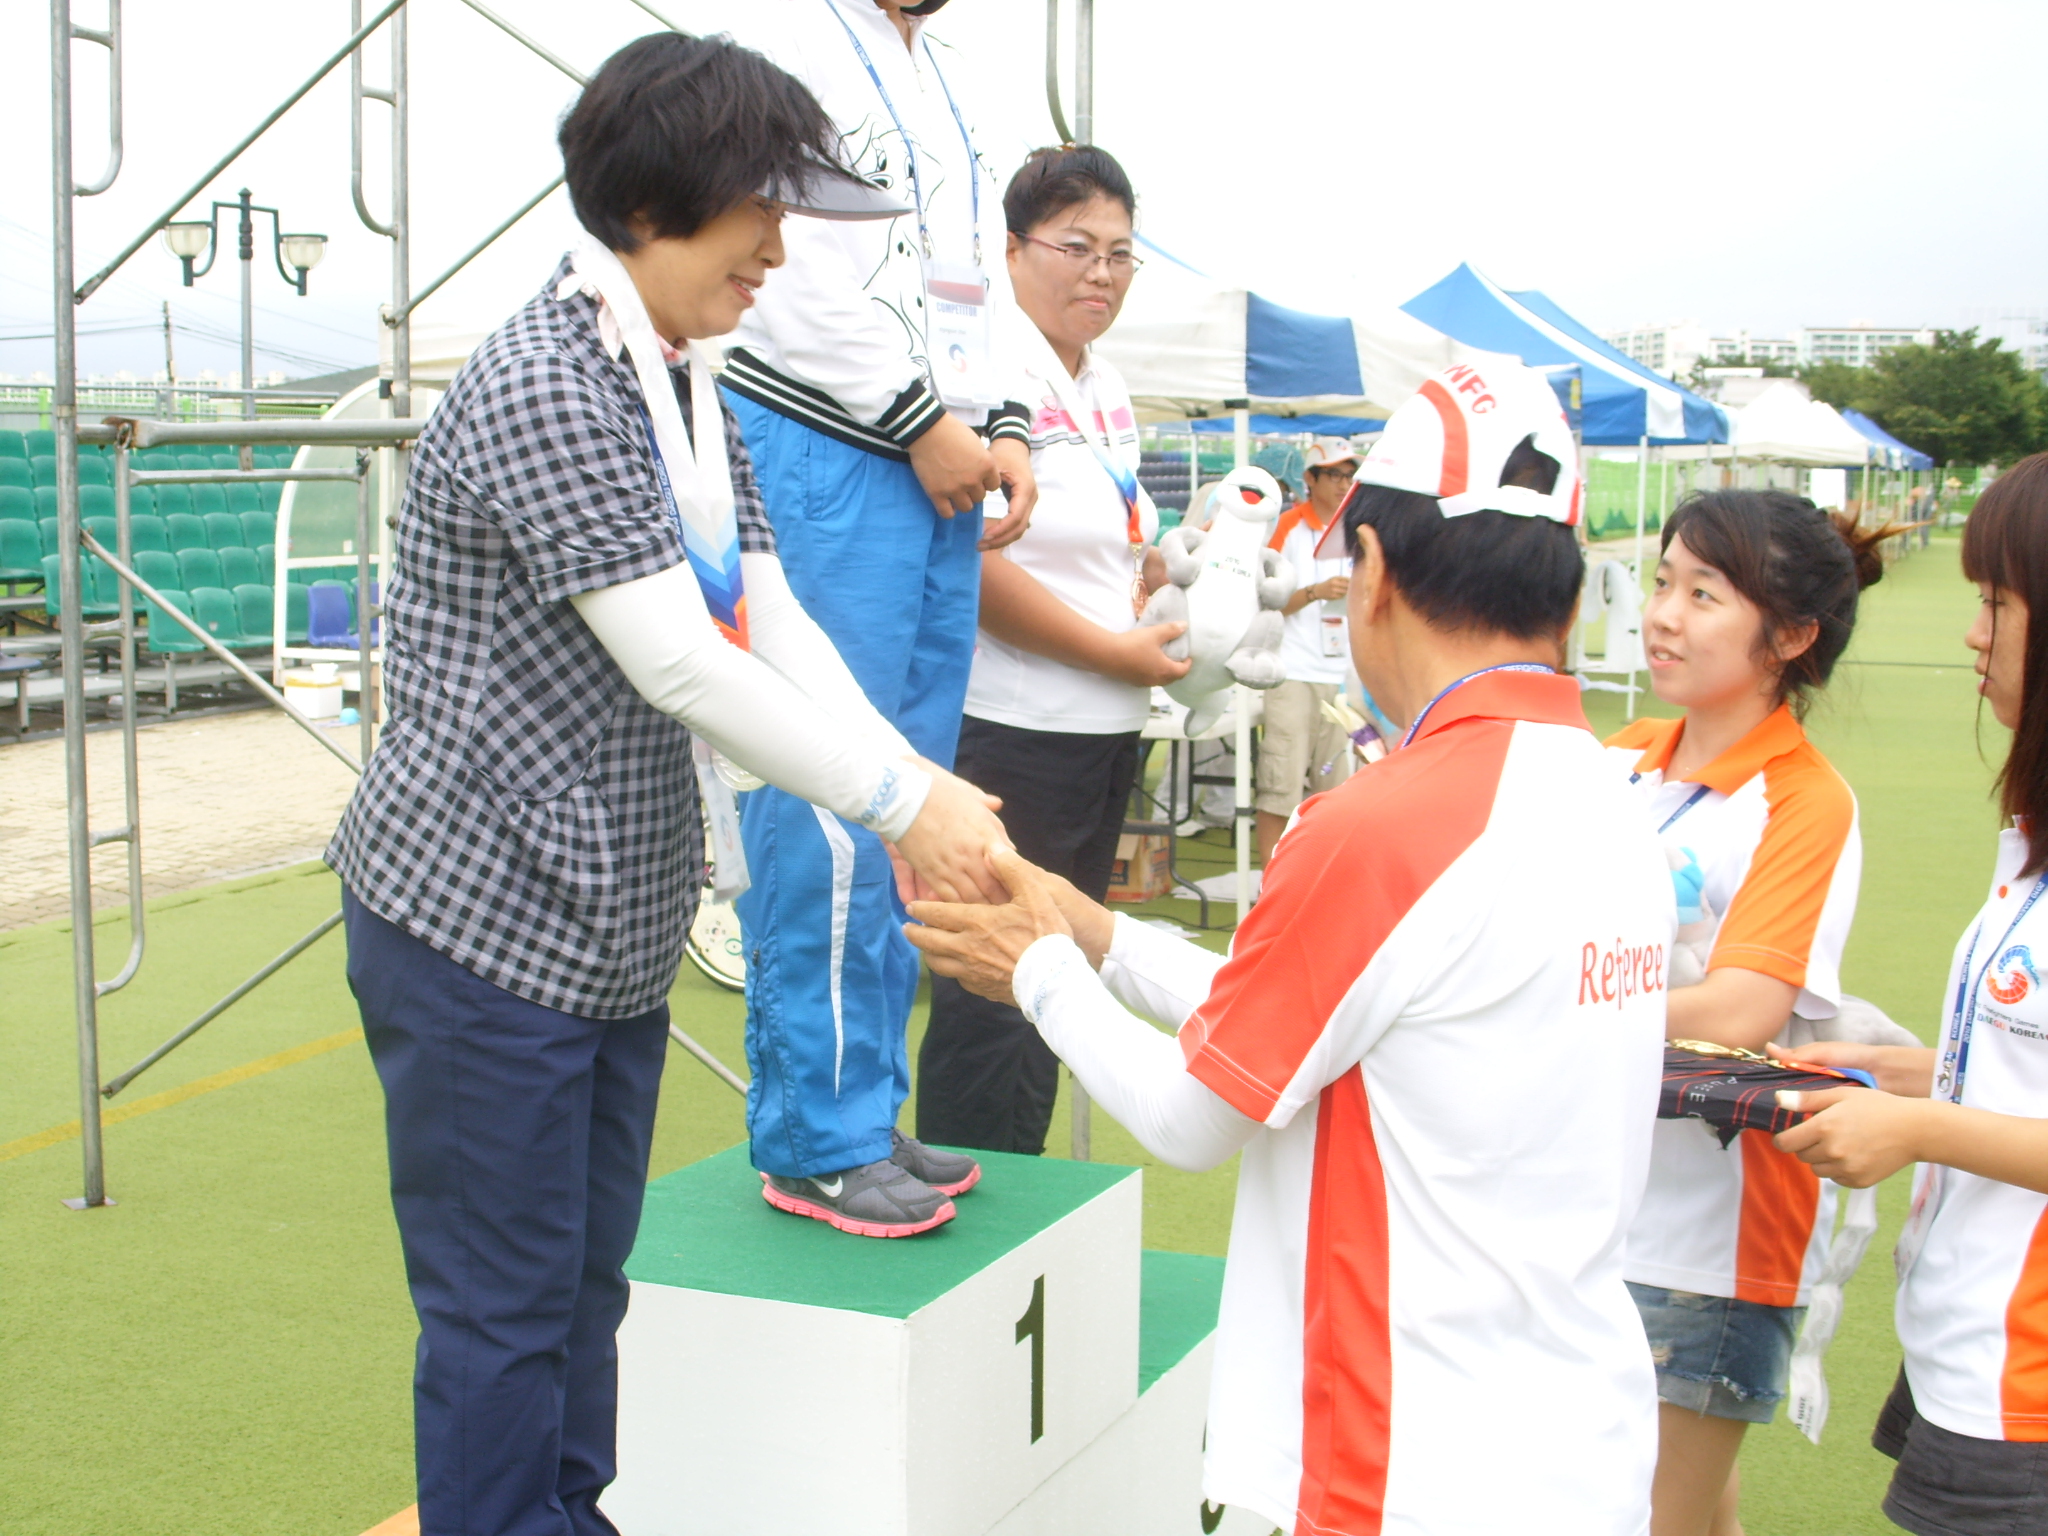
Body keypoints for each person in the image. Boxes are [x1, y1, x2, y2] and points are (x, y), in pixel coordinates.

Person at [326, 35, 1008, 1534]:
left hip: (604, 921)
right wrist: (906, 806)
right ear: (652, 204)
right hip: (481, 925)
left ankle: (567, 1512)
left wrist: (910, 776)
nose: (780, 247)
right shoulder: (548, 381)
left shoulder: (688, 384)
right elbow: (683, 664)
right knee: (504, 1310)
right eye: (760, 206)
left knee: (581, 1287)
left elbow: (769, 615)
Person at [907, 362, 1673, 1535]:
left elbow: (1193, 1117)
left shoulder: (1388, 822)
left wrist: (1037, 968)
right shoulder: (1611, 796)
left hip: (1408, 1466)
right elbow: (1332, 1012)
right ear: (1565, 598)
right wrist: (1098, 934)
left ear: (1369, 571)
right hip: (1582, 1446)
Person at [716, 0, 1039, 1235]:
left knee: (916, 797)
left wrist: (1003, 421)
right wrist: (919, 418)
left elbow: (976, 281)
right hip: (827, 442)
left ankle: (865, 1105)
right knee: (826, 792)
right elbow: (778, 269)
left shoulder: (948, 70)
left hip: (937, 454)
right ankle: (814, 1132)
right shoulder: (779, 33)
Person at [1605, 489, 1888, 1536]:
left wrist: (1554, 1000)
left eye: (1703, 594)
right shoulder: (1623, 755)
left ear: (1792, 637)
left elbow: (1740, 1007)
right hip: (1595, 1204)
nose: (1661, 614)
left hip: (1708, 1242)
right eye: (1662, 582)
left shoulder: (1802, 799)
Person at [1776, 452, 2048, 1536]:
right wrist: (1901, 1074)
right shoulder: (2027, 840)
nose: (1973, 634)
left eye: (1999, 604)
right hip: (1972, 1338)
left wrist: (1917, 1126)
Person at [914, 145, 1185, 1156]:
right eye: (1076, 247)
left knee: (1058, 978)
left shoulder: (1103, 380)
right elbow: (976, 573)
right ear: (1013, 250)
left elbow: (1096, 531)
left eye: (1120, 253)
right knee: (997, 992)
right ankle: (979, 1200)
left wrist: (1143, 563)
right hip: (1015, 729)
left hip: (1102, 731)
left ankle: (1023, 1202)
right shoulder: (984, 372)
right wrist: (1113, 652)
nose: (1101, 274)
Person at [1255, 437, 1362, 864]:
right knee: (1279, 788)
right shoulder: (1287, 528)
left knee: (1339, 794)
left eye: (1350, 476)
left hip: (1345, 675)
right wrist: (1314, 592)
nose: (1344, 484)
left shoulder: (1361, 530)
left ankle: (1322, 882)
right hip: (1293, 673)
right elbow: (1264, 600)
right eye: (1335, 475)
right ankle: (1271, 883)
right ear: (1310, 479)